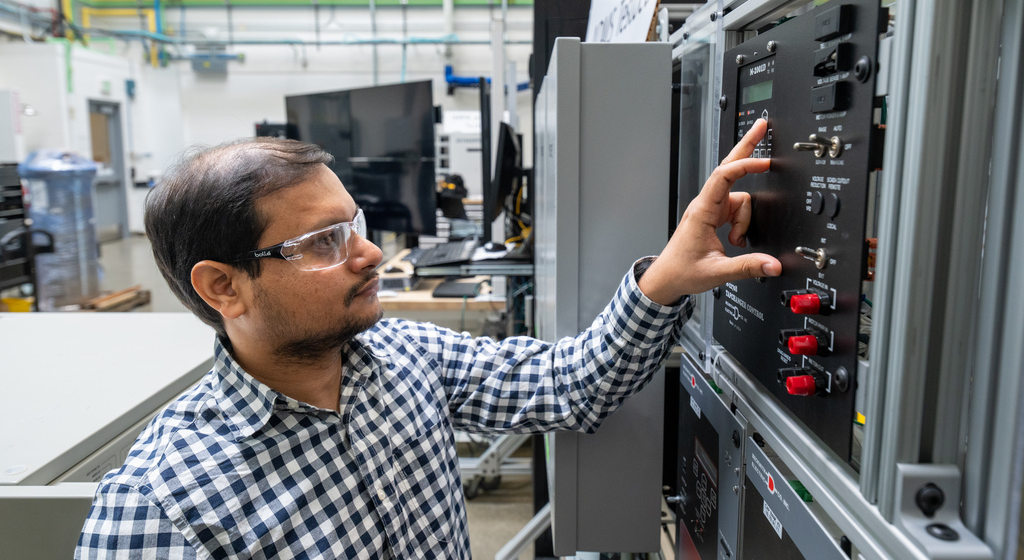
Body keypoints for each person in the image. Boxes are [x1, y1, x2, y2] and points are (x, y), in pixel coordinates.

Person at [76, 119, 778, 559]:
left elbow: (572, 386)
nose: (370, 254)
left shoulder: (408, 358)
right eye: (325, 242)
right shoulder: (162, 505)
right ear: (223, 287)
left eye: (353, 225)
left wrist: (667, 278)